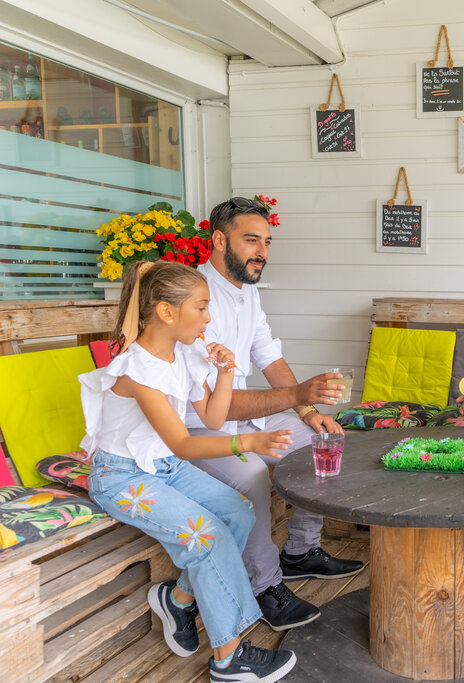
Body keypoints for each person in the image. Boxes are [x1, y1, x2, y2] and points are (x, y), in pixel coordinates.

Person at [79, 261, 297, 682]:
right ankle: (228, 660)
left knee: (237, 510)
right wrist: (246, 443)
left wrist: (224, 371)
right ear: (166, 312)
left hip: (166, 468)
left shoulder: (186, 354)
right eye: (201, 307)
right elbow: (183, 441)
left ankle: (179, 599)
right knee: (207, 536)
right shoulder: (138, 371)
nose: (209, 318)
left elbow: (213, 419)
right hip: (123, 477)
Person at [185, 197, 363, 631]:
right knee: (251, 480)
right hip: (197, 429)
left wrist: (306, 410)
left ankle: (300, 551)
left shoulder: (246, 296)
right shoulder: (193, 298)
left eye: (266, 241)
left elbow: (269, 357)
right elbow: (214, 407)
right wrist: (295, 395)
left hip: (245, 418)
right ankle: (264, 586)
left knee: (324, 442)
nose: (262, 251)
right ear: (218, 240)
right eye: (251, 240)